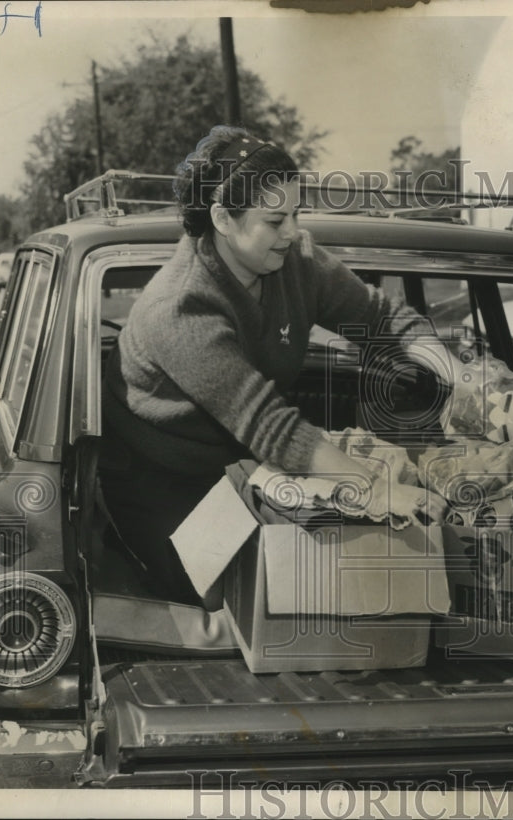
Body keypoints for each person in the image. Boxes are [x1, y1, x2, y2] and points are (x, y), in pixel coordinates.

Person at [100, 125, 452, 609]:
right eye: (274, 220)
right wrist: (374, 490)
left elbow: (381, 315)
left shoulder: (296, 260)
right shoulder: (179, 306)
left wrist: (454, 371)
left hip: (244, 459)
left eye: (295, 213)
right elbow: (269, 425)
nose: (292, 231)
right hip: (164, 475)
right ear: (223, 218)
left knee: (318, 583)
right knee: (234, 601)